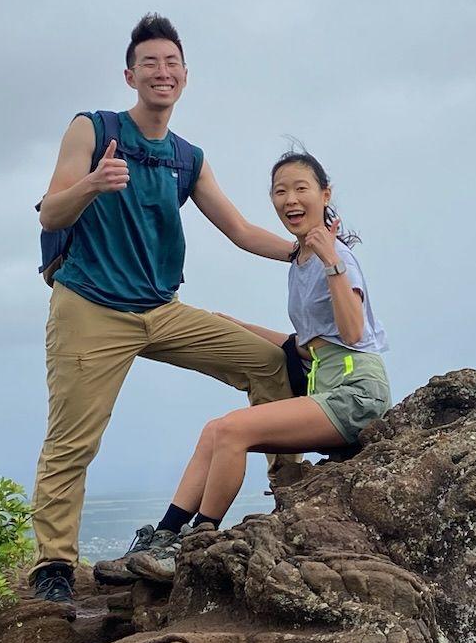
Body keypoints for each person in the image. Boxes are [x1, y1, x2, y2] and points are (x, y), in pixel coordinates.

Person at [27, 13, 304, 606]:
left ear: (185, 78)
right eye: (150, 63)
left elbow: (239, 230)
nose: (162, 72)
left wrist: (307, 252)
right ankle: (53, 563)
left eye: (171, 63)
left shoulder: (187, 158)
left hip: (161, 308)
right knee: (73, 441)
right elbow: (50, 212)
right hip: (91, 309)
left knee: (272, 363)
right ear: (130, 75)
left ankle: (295, 498)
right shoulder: (93, 130)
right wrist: (94, 184)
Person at [93, 148, 391, 584]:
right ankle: (165, 535)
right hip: (328, 383)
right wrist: (235, 326)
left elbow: (351, 332)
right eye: (280, 191)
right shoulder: (301, 260)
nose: (290, 199)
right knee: (215, 430)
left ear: (325, 195)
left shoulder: (337, 258)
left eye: (301, 188)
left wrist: (331, 260)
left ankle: (197, 542)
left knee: (234, 429)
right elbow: (306, 345)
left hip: (355, 392)